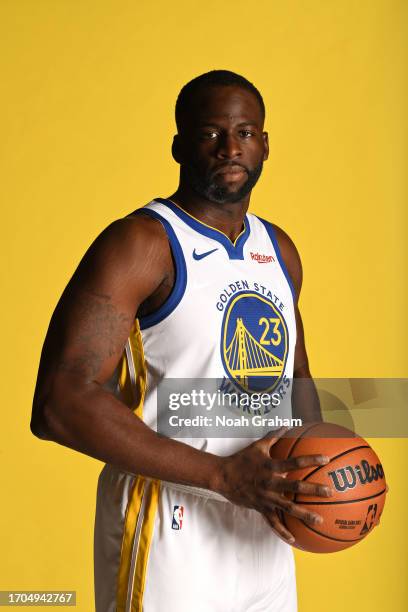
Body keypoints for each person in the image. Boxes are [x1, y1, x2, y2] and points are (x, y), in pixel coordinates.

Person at [31, 70, 332, 612]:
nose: (230, 147)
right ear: (177, 145)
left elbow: (297, 381)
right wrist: (220, 474)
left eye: (245, 132)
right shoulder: (142, 243)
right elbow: (59, 401)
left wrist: (327, 467)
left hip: (265, 525)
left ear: (265, 145)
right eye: (210, 133)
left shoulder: (278, 249)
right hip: (171, 520)